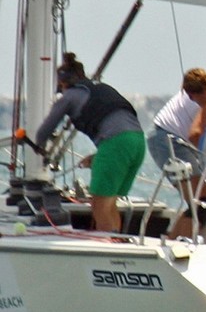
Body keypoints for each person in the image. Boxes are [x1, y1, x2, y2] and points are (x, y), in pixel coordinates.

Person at [34, 52, 146, 232]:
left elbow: (43, 132)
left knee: (99, 206)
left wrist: (35, 148)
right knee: (110, 204)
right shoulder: (101, 88)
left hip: (115, 144)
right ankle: (117, 243)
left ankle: (107, 249)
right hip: (138, 141)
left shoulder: (69, 96)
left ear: (63, 83)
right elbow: (119, 128)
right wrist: (98, 156)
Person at [147, 68, 206, 237]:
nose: (193, 101)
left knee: (200, 204)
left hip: (171, 139)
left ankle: (172, 240)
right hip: (166, 140)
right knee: (201, 204)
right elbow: (195, 135)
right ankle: (176, 245)